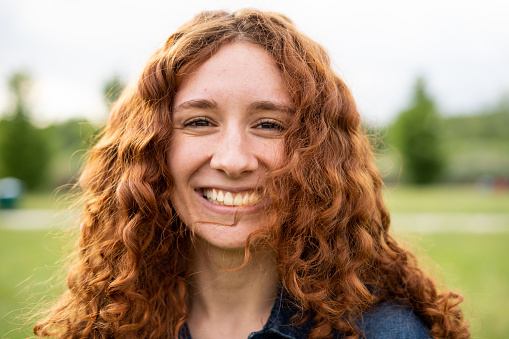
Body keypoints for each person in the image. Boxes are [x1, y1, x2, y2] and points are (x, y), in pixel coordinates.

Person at [34, 9, 470, 339]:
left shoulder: (384, 333)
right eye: (200, 121)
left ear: (318, 155)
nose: (233, 160)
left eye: (269, 124)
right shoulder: (107, 323)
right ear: (153, 149)